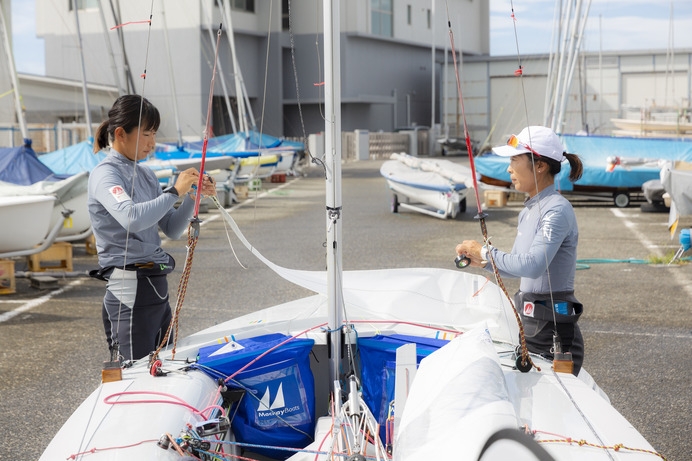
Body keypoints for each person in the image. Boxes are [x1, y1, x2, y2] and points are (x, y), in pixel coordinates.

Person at [87, 94, 216, 362]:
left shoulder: (145, 174)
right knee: (135, 377)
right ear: (121, 134)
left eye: (154, 134)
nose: (152, 142)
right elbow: (131, 217)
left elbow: (171, 227)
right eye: (146, 134)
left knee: (163, 370)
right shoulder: (105, 173)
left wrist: (192, 195)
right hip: (129, 292)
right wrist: (174, 191)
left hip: (156, 289)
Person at [455, 126, 585, 375]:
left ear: (540, 166)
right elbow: (517, 265)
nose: (509, 168)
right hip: (531, 327)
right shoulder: (528, 210)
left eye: (515, 160)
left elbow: (533, 265)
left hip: (553, 334)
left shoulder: (556, 210)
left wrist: (485, 252)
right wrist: (482, 261)